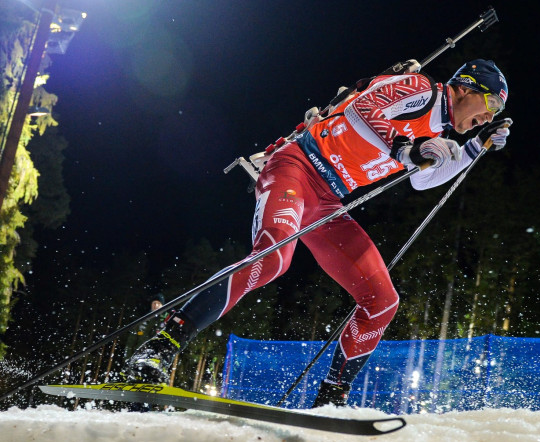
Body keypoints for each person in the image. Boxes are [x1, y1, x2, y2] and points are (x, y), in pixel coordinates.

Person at [123, 59, 512, 407]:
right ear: (465, 87)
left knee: (381, 300)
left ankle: (330, 399)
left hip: (329, 201)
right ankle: (161, 346)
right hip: (297, 167)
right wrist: (406, 150)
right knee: (272, 258)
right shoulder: (423, 90)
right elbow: (363, 110)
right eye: (491, 104)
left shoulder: (437, 128)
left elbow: (422, 182)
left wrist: (476, 147)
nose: (489, 114)